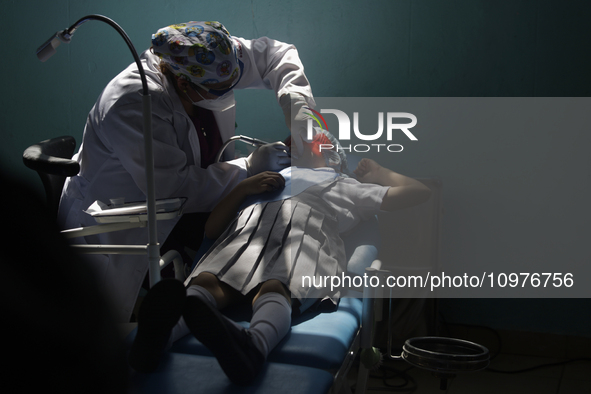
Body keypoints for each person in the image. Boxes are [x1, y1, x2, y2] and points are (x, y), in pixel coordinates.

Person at [58, 21, 316, 322]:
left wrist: (300, 112)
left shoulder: (212, 56)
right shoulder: (133, 103)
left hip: (198, 205)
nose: (229, 92)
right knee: (229, 268)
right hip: (128, 217)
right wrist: (248, 169)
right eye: (220, 91)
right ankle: (186, 321)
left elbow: (276, 55)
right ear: (183, 85)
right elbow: (174, 188)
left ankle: (199, 319)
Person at [129, 131, 432, 385]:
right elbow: (211, 228)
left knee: (276, 285)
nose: (300, 137)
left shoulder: (344, 185)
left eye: (314, 137)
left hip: (306, 241)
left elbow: (420, 192)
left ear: (332, 156)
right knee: (206, 283)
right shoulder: (264, 180)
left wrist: (379, 174)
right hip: (245, 238)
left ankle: (253, 347)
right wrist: (244, 187)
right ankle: (158, 339)